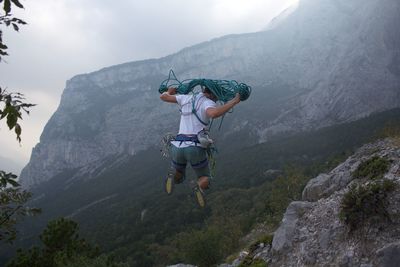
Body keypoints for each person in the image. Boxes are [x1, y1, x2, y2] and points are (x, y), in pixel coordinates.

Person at [160, 86, 241, 207]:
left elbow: (164, 97)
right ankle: (198, 186)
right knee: (205, 177)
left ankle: (174, 174)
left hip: (177, 146)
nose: (216, 100)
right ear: (212, 94)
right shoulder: (207, 102)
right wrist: (234, 101)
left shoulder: (186, 98)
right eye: (216, 97)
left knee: (179, 175)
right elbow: (213, 113)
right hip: (194, 148)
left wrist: (171, 90)